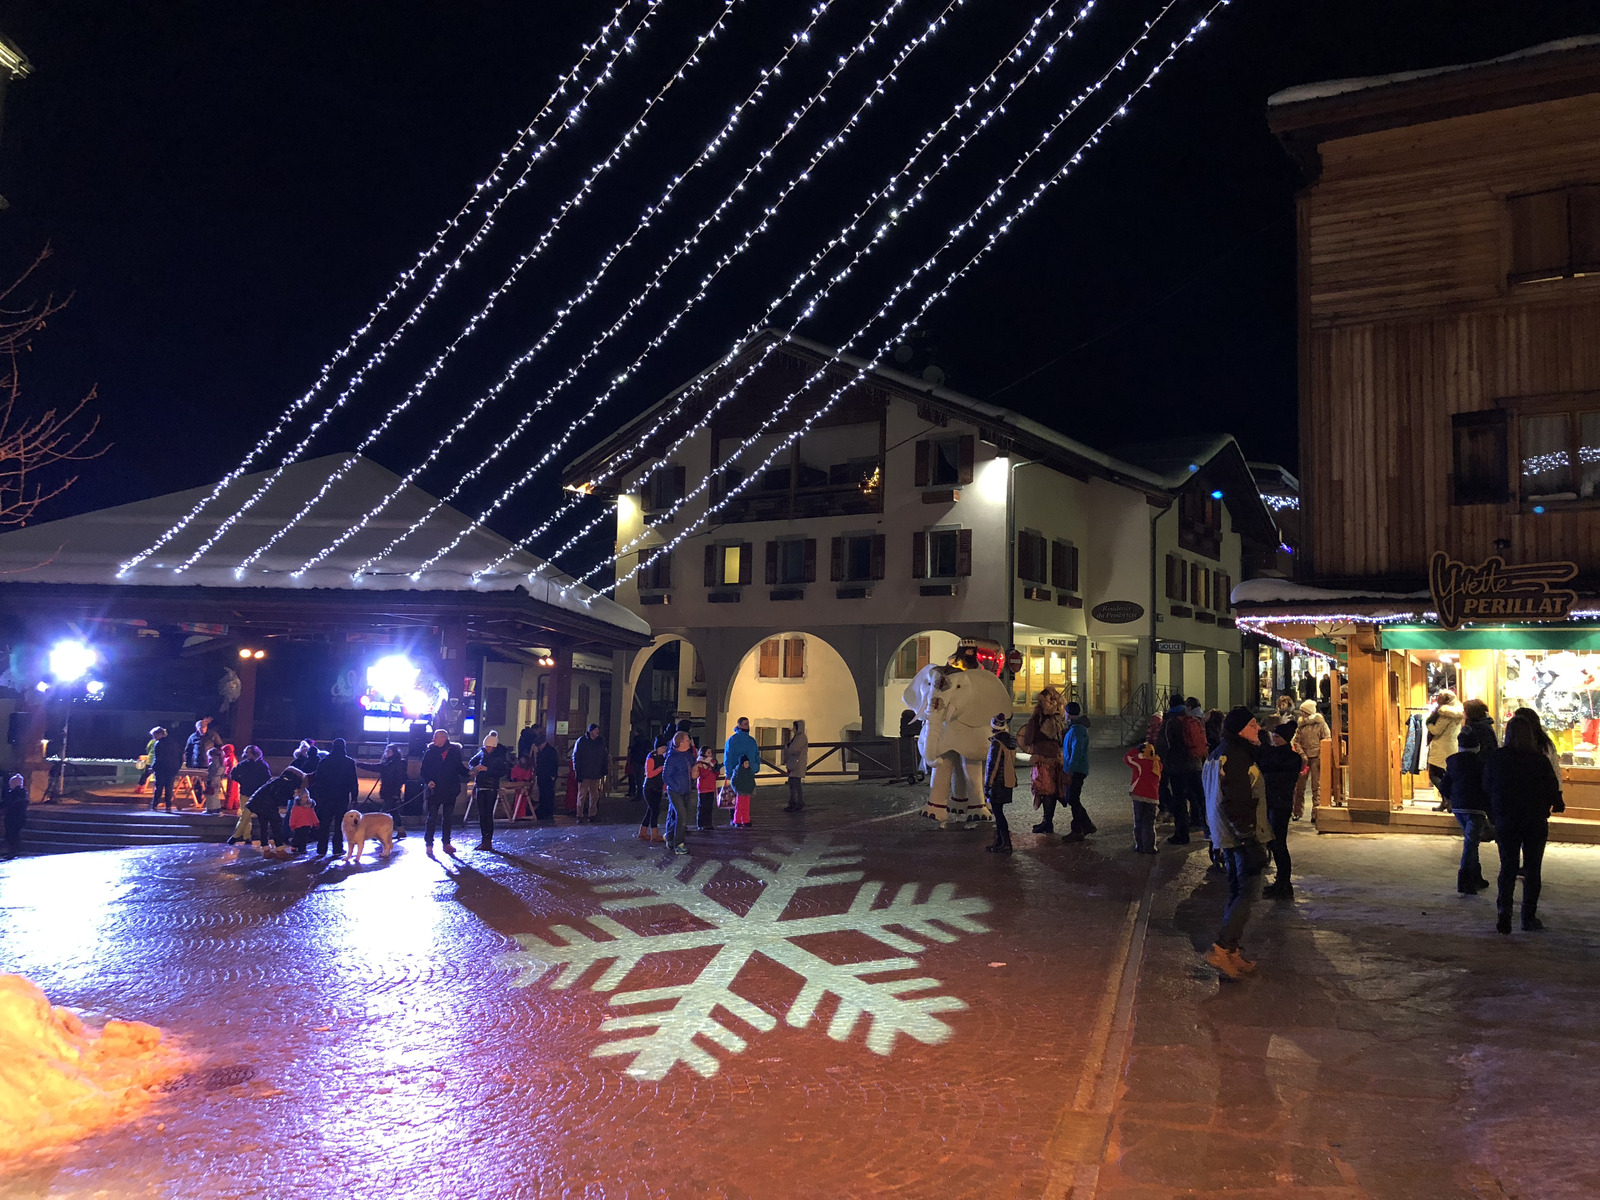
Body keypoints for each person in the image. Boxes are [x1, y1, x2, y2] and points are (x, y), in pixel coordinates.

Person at [1204, 707, 1270, 979]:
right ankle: (1222, 948)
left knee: (1237, 890)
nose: (1259, 729)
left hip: (1226, 834)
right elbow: (1237, 800)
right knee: (1247, 892)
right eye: (1254, 725)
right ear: (1242, 729)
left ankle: (1231, 951)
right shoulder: (1236, 757)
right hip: (1240, 836)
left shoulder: (1221, 752)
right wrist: (1248, 837)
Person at [1485, 715, 1563, 934]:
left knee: (1508, 867)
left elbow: (1487, 785)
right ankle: (1528, 916)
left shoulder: (1498, 758)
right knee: (1532, 869)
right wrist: (1554, 802)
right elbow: (1551, 787)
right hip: (1534, 820)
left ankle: (1504, 911)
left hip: (1506, 819)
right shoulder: (1538, 760)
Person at [1437, 723, 1491, 895]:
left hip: (1459, 807)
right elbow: (1487, 786)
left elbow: (1445, 785)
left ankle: (1476, 876)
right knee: (1470, 843)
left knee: (1471, 841)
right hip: (1476, 808)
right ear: (1477, 747)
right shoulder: (1482, 764)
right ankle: (1465, 878)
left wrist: (1450, 799)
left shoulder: (1453, 762)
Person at [1255, 721, 1303, 898]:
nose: (1274, 738)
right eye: (1273, 735)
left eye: (1277, 736)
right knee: (1275, 842)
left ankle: (1284, 883)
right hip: (1273, 803)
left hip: (1280, 804)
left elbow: (1270, 764)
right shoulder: (1279, 755)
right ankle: (1281, 882)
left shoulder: (1290, 758)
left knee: (1278, 843)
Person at [1158, 697, 1206, 844]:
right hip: (1195, 765)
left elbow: (1163, 746)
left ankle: (1182, 834)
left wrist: (1163, 764)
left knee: (1179, 801)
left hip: (1178, 768)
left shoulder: (1170, 722)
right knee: (1200, 798)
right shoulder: (1192, 719)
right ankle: (1210, 828)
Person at [1020, 687, 1067, 835]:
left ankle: (1048, 822)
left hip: (1042, 760)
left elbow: (1027, 739)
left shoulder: (1037, 720)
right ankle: (1048, 821)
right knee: (1052, 791)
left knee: (1046, 791)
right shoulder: (1059, 719)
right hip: (1057, 759)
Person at [419, 728, 469, 854]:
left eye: (435, 737)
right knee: (432, 818)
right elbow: (423, 771)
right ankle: (429, 844)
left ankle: (446, 843)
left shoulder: (453, 752)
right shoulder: (429, 752)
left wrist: (471, 772)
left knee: (448, 818)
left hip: (450, 790)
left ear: (443, 738)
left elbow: (459, 768)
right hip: (434, 791)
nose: (433, 739)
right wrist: (428, 781)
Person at [309, 737, 359, 858]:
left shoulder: (324, 761)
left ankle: (321, 849)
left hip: (326, 797)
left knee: (324, 824)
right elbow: (353, 781)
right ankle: (337, 848)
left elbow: (318, 780)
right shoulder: (349, 762)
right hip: (342, 796)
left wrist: (319, 796)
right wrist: (354, 797)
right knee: (339, 825)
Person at [246, 766, 305, 859]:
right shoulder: (285, 783)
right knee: (276, 825)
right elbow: (280, 797)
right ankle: (280, 850)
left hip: (256, 803)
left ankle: (266, 850)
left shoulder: (278, 780)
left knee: (264, 826)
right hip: (267, 804)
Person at [468, 730, 511, 851]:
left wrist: (487, 769)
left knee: (488, 814)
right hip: (480, 786)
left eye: (488, 746)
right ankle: (484, 840)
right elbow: (472, 762)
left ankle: (488, 841)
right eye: (485, 746)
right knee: (482, 815)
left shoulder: (499, 755)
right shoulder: (481, 753)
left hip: (491, 787)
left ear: (493, 746)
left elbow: (502, 771)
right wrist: (475, 768)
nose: (486, 748)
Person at [1060, 701, 1095, 842]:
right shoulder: (1074, 728)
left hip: (1076, 770)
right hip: (1075, 769)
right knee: (1073, 798)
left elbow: (1076, 753)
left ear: (1068, 713)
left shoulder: (1077, 730)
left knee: (1072, 799)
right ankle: (1086, 825)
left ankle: (1078, 829)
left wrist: (1069, 771)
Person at [356, 744, 409, 835]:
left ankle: (376, 832)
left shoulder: (393, 764)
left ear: (394, 753)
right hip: (390, 792)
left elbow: (377, 767)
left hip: (392, 792)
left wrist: (359, 764)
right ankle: (401, 831)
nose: (387, 753)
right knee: (393, 811)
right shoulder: (393, 763)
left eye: (389, 751)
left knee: (381, 814)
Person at [1424, 690, 1464, 808]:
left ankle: (1448, 799)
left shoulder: (1445, 714)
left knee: (1434, 775)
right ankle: (1445, 802)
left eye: (1439, 697)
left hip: (1441, 747)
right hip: (1450, 746)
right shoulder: (1456, 713)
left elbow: (1436, 730)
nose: (1437, 699)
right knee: (1444, 775)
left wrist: (1429, 724)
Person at [1292, 699, 1331, 821]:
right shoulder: (1301, 725)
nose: (1301, 714)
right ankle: (1297, 811)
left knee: (1316, 786)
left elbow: (1326, 739)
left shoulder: (1320, 724)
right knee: (1300, 787)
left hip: (1316, 758)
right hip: (1304, 758)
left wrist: (1320, 755)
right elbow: (1296, 741)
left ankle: (1316, 812)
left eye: (1303, 711)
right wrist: (1302, 754)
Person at [1123, 732, 1160, 855]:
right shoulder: (1157, 764)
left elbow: (1127, 758)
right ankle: (1150, 847)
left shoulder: (1140, 763)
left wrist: (1135, 750)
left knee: (1138, 821)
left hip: (1138, 795)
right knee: (1149, 823)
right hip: (1152, 798)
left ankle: (1139, 845)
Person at [227, 745, 271, 845]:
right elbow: (233, 773)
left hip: (256, 794)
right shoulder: (244, 764)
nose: (247, 754)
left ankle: (236, 836)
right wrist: (241, 781)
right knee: (245, 815)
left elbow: (267, 779)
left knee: (245, 815)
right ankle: (247, 837)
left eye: (249, 752)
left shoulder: (262, 765)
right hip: (245, 792)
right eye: (246, 752)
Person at [661, 731, 696, 855]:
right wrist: (677, 787)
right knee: (682, 816)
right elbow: (666, 776)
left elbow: (693, 766)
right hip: (676, 791)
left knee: (674, 815)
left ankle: (670, 838)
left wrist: (694, 774)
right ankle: (679, 843)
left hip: (686, 790)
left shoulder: (687, 755)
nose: (690, 743)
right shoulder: (672, 758)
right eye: (687, 740)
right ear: (680, 743)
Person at [570, 723, 609, 824]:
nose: (598, 732)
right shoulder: (582, 741)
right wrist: (577, 771)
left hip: (595, 772)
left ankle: (592, 814)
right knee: (582, 795)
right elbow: (576, 757)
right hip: (585, 773)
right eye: (596, 730)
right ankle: (579, 814)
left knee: (594, 795)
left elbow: (604, 756)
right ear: (591, 731)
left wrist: (604, 768)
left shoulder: (600, 741)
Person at [723, 718, 761, 802]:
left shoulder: (750, 741)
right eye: (745, 724)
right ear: (739, 725)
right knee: (737, 800)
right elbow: (728, 758)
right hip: (737, 774)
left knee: (742, 800)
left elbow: (756, 755)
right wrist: (729, 772)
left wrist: (756, 766)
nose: (748, 726)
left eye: (748, 724)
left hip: (747, 773)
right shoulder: (733, 740)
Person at [149, 726, 184, 813]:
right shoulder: (174, 743)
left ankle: (155, 805)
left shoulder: (159, 744)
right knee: (169, 788)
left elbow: (158, 758)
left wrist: (153, 768)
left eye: (154, 735)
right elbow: (180, 757)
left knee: (159, 787)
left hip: (161, 769)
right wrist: (177, 767)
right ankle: (168, 805)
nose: (154, 738)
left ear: (159, 734)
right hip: (172, 769)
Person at [640, 737, 666, 842]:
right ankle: (654, 834)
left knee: (651, 810)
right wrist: (660, 768)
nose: (664, 749)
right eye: (663, 747)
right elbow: (649, 774)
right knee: (654, 810)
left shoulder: (663, 757)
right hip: (650, 787)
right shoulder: (651, 757)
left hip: (658, 787)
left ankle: (643, 832)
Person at [782, 720, 808, 813]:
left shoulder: (800, 737)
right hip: (795, 764)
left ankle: (797, 803)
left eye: (794, 727)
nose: (793, 729)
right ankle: (794, 802)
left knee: (795, 784)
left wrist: (788, 747)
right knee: (793, 784)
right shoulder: (798, 737)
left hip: (797, 764)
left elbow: (794, 749)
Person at [534, 732, 559, 822]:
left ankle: (548, 813)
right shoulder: (545, 751)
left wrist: (553, 775)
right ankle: (544, 812)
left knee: (548, 795)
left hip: (548, 776)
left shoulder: (550, 751)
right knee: (543, 795)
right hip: (542, 776)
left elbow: (554, 764)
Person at [2, 774, 27, 860]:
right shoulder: (22, 794)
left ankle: (13, 851)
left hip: (14, 818)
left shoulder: (15, 794)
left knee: (12, 835)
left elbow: (8, 804)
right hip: (17, 818)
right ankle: (13, 851)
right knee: (13, 835)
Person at [694, 746, 719, 831]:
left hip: (711, 787)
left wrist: (716, 769)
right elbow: (703, 774)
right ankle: (701, 824)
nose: (710, 754)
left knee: (709, 807)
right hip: (703, 788)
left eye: (711, 752)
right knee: (703, 807)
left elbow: (716, 775)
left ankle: (708, 823)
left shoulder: (711, 763)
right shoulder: (700, 763)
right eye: (708, 752)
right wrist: (709, 768)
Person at [730, 755, 757, 828]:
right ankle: (737, 821)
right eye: (745, 763)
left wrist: (752, 788)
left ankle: (746, 820)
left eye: (748, 763)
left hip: (747, 792)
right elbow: (733, 781)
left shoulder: (749, 772)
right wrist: (736, 789)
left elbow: (752, 781)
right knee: (739, 807)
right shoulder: (738, 771)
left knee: (746, 807)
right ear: (742, 764)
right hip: (741, 792)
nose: (747, 765)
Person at [627, 729, 652, 802]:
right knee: (641, 778)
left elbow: (633, 749)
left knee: (638, 779)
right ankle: (642, 794)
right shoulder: (646, 740)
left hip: (637, 761)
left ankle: (639, 795)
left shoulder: (636, 741)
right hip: (643, 761)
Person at [509, 755, 535, 821]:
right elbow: (513, 776)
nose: (523, 760)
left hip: (524, 785)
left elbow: (528, 777)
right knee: (517, 799)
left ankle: (522, 815)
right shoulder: (516, 767)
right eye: (522, 759)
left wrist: (525, 781)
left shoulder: (528, 769)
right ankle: (517, 814)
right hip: (517, 785)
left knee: (523, 800)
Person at [136, 729, 159, 793]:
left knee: (146, 774)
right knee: (147, 773)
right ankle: (141, 787)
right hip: (153, 760)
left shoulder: (152, 741)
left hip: (152, 759)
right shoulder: (156, 742)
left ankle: (140, 786)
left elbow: (148, 748)